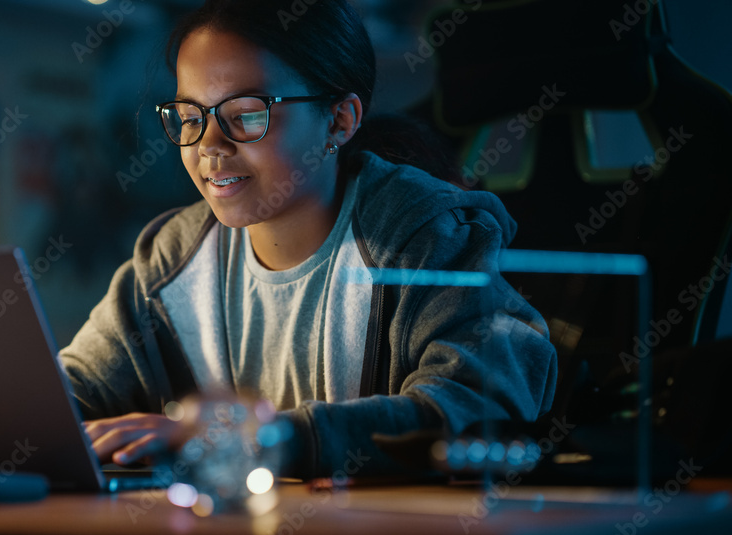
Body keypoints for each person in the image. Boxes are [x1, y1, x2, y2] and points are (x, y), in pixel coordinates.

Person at [59, 0, 557, 479]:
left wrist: (277, 440)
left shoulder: (425, 235)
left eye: (246, 115)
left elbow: (482, 400)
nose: (208, 146)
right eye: (191, 118)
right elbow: (63, 396)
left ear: (339, 120)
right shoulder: (172, 256)